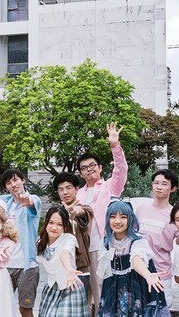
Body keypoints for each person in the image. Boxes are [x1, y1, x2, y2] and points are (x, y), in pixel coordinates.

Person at [76, 123, 127, 315]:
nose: (89, 170)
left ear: (100, 167)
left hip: (99, 248)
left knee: (101, 294)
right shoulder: (77, 193)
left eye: (92, 166)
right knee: (80, 297)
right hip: (79, 251)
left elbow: (121, 171)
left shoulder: (109, 187)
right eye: (84, 168)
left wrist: (115, 146)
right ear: (80, 172)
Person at [96, 200, 169, 317]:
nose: (117, 221)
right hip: (112, 288)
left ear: (130, 219)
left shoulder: (138, 241)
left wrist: (147, 274)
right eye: (113, 217)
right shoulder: (106, 242)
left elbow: (136, 259)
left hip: (137, 286)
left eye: (123, 217)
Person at [0, 169, 42, 317]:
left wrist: (26, 201)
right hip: (5, 265)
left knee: (25, 309)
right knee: (1, 307)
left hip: (26, 266)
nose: (13, 184)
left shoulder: (33, 199)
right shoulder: (5, 204)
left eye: (15, 180)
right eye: (9, 183)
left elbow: (33, 203)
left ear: (23, 180)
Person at [134, 169, 179, 306]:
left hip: (161, 273)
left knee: (160, 310)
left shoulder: (175, 214)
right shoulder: (141, 209)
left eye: (164, 184)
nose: (159, 187)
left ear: (173, 189)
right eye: (156, 183)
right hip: (138, 270)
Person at [36, 206, 90, 317]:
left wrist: (69, 269)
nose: (54, 227)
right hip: (51, 288)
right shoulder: (40, 241)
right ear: (46, 223)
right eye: (51, 222)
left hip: (70, 286)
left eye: (59, 225)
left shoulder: (69, 239)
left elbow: (64, 254)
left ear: (65, 227)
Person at [53, 172, 93, 291]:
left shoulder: (86, 209)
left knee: (81, 306)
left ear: (77, 189)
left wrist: (74, 212)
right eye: (61, 189)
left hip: (80, 267)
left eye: (68, 188)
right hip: (59, 267)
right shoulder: (54, 215)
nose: (65, 192)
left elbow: (82, 212)